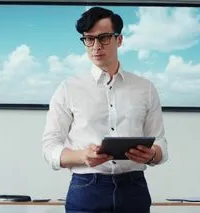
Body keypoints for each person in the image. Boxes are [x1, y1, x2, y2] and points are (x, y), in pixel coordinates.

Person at [42, 6, 168, 213]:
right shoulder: (68, 89)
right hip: (86, 189)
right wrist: (83, 156)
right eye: (89, 39)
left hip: (134, 188)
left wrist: (152, 154)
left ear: (119, 39)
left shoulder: (145, 88)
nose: (95, 46)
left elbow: (160, 141)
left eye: (104, 38)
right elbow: (50, 147)